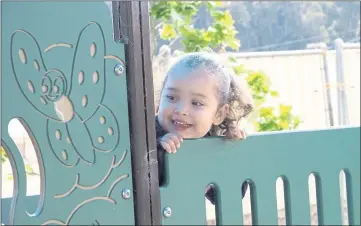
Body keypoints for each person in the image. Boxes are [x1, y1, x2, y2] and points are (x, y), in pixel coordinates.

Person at [155, 51, 254, 204]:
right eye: (171, 97)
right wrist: (159, 150)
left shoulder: (212, 141)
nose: (181, 110)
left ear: (219, 114)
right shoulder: (144, 132)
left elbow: (232, 196)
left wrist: (232, 151)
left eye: (197, 103)